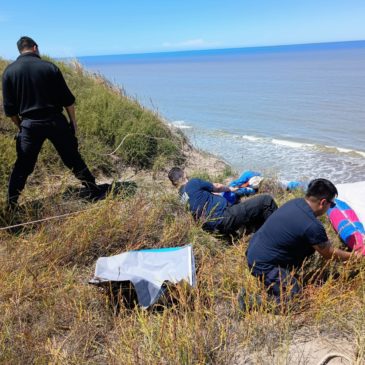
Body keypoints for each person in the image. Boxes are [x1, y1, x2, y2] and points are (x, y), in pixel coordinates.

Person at [2, 36, 98, 208]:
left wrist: (21, 127)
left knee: (23, 165)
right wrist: (73, 123)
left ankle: (11, 204)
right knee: (72, 157)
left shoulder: (9, 72)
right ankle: (93, 189)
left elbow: (10, 110)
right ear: (35, 48)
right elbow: (68, 100)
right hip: (55, 121)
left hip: (29, 125)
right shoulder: (49, 67)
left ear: (20, 50)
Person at [244, 178, 360, 306]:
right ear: (323, 202)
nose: (330, 208)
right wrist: (353, 257)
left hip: (255, 249)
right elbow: (328, 254)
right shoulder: (311, 225)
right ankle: (250, 302)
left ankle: (282, 275)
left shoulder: (296, 202)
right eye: (331, 205)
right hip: (262, 263)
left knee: (310, 246)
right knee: (293, 298)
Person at [168, 167, 278, 235]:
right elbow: (217, 186)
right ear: (184, 174)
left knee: (251, 212)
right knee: (266, 201)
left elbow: (200, 201)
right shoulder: (192, 183)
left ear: (174, 184)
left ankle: (256, 229)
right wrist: (230, 188)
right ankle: (277, 234)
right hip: (225, 218)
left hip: (211, 228)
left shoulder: (181, 197)